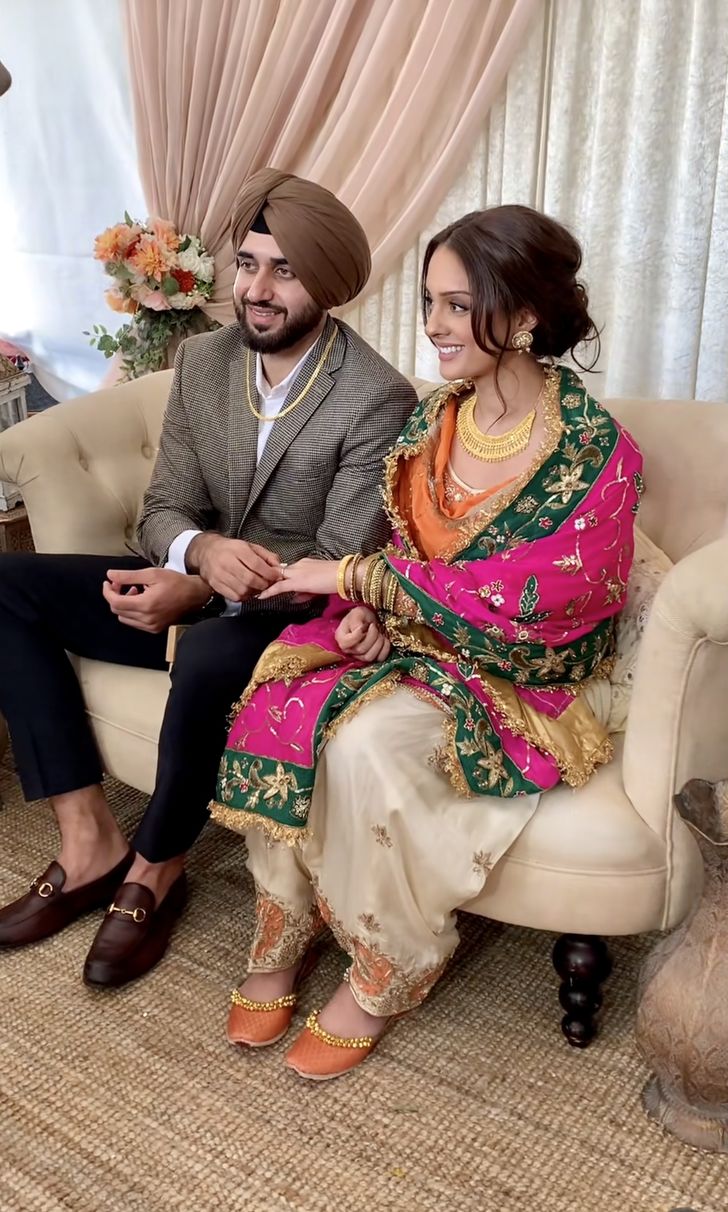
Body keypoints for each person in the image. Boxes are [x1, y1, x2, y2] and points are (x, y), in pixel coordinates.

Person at [210, 204, 644, 1080]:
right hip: (424, 648)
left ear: (523, 317)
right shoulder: (429, 423)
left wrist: (364, 583)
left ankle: (383, 970)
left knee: (367, 742)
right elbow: (410, 554)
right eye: (429, 302)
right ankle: (285, 931)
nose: (433, 326)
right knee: (284, 696)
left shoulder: (597, 452)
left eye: (455, 305)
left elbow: (550, 599)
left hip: (529, 672)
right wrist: (377, 615)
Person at [0, 169, 417, 985]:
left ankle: (154, 871)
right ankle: (89, 841)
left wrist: (208, 591)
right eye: (249, 263)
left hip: (287, 615)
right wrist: (190, 555)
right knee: (6, 585)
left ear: (325, 283)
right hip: (199, 579)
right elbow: (163, 507)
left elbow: (334, 562)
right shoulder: (203, 359)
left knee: (206, 655)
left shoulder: (376, 396)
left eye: (284, 271)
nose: (255, 290)